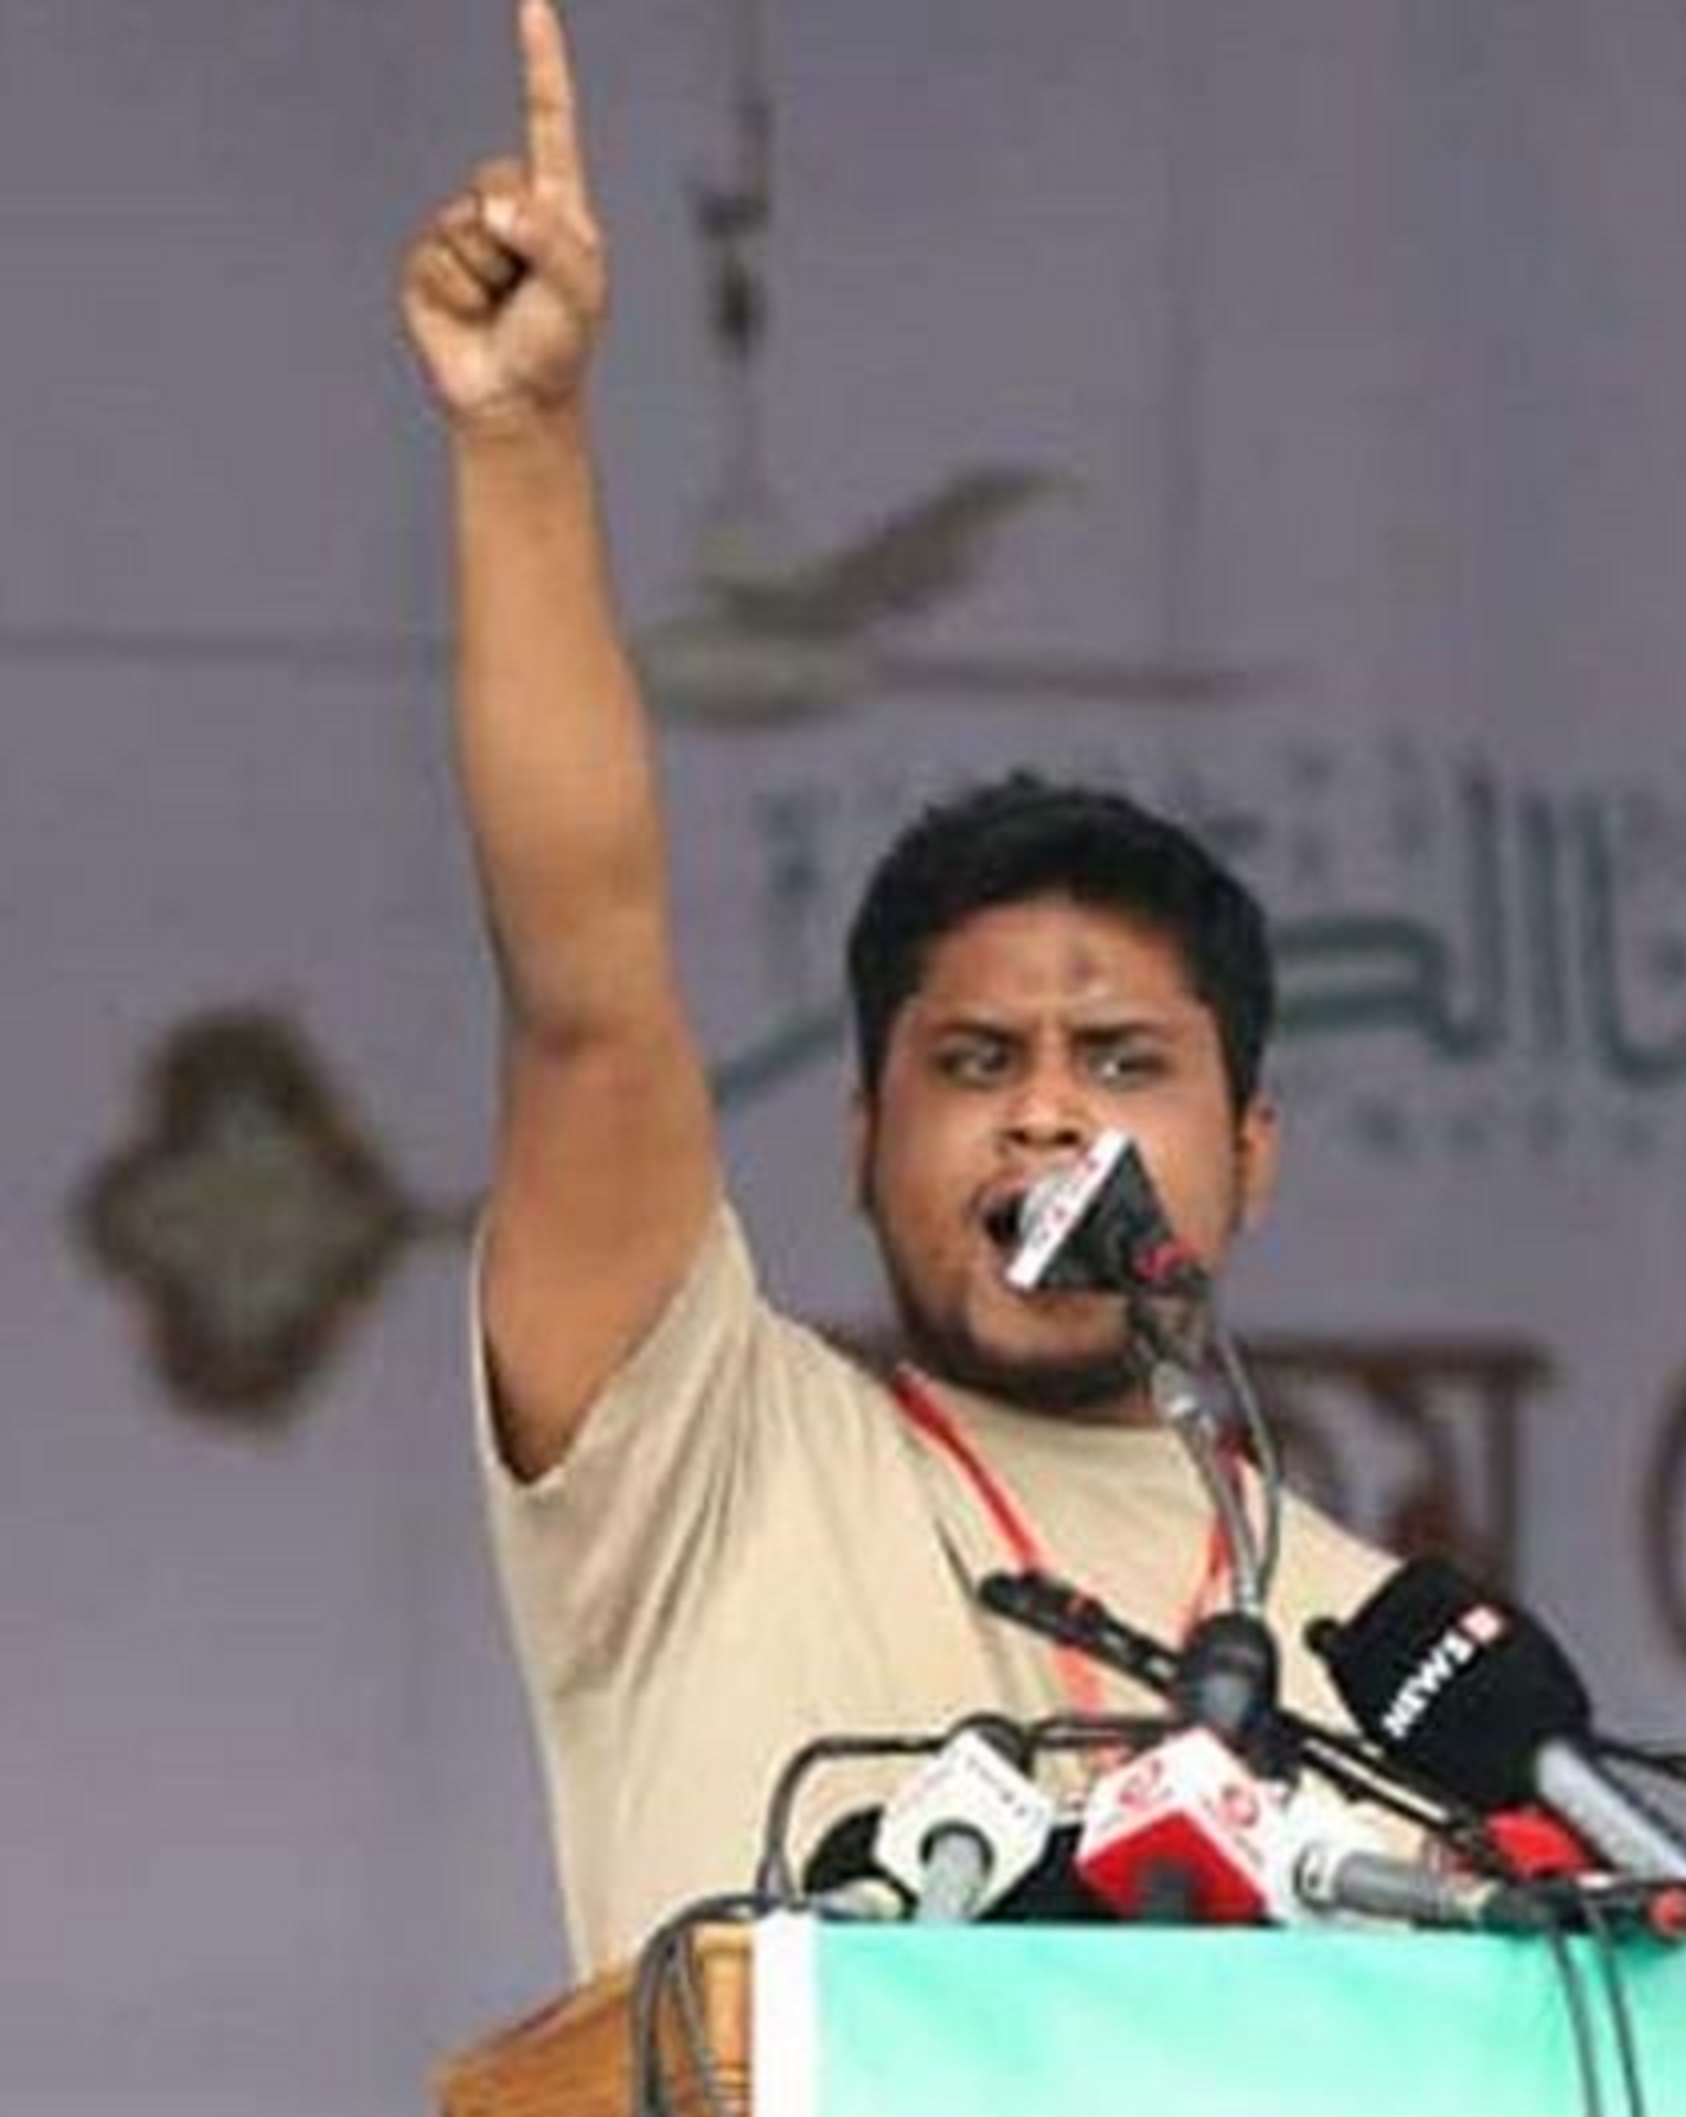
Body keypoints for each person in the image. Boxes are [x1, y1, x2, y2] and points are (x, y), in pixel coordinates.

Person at [398, 0, 1396, 1971]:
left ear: (1253, 1151)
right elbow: (587, 987)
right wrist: (521, 441)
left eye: (1124, 1058)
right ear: (863, 1141)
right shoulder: (710, 1464)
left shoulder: (1386, 1652)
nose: (1049, 1112)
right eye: (976, 1059)